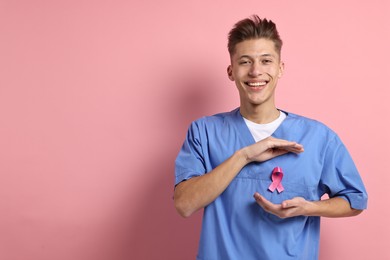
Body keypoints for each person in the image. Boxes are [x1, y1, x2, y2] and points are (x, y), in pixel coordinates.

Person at [173, 15, 368, 260]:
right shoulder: (204, 133)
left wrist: (309, 207)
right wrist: (243, 155)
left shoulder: (319, 138)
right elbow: (184, 204)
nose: (256, 71)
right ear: (231, 71)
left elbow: (356, 200)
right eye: (245, 62)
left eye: (266, 61)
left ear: (280, 68)